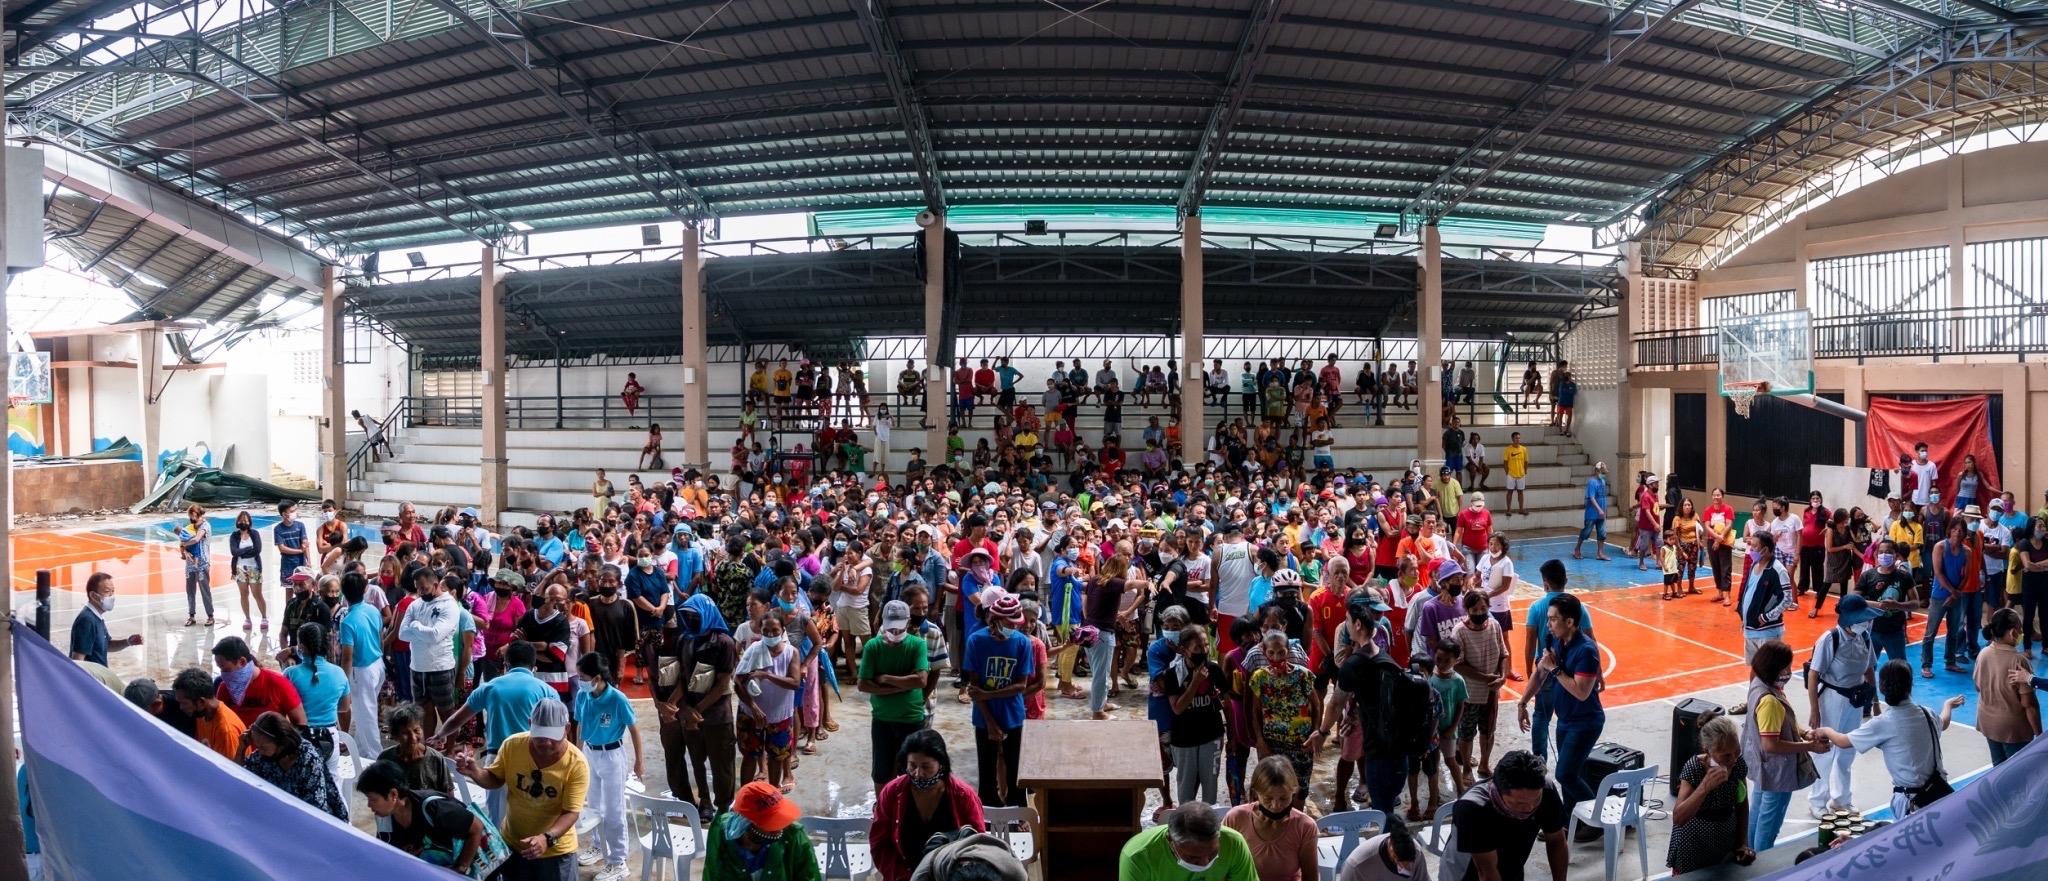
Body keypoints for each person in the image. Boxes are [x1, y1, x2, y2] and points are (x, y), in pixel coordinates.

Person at [1810, 660, 1965, 819]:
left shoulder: (1884, 723)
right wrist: (1947, 705)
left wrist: (1825, 730)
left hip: (1911, 803)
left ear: (1882, 687)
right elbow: (1943, 722)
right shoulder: (1927, 713)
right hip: (1938, 793)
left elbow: (1843, 741)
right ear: (1910, 685)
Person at [454, 700, 590, 881]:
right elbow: (495, 779)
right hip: (513, 845)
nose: (546, 742)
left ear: (566, 728)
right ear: (529, 724)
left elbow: (570, 812)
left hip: (555, 852)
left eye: (552, 736)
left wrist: (546, 838)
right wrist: (475, 772)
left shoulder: (577, 764)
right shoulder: (512, 745)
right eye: (540, 736)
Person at [1739, 640, 1831, 853]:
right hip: (1777, 771)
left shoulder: (1760, 684)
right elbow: (1771, 744)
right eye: (1786, 667)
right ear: (1774, 667)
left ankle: (1752, 855)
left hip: (1763, 768)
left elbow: (1781, 724)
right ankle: (1763, 864)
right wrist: (1809, 746)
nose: (1789, 672)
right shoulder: (1770, 701)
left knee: (1758, 814)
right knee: (1768, 825)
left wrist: (1803, 732)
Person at [870, 729, 985, 881]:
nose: (918, 773)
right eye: (912, 766)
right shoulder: (892, 793)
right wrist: (903, 877)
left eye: (926, 767)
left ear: (941, 765)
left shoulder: (964, 796)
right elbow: (880, 845)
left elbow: (976, 844)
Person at [357, 759, 502, 878]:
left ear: (393, 795)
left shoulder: (434, 808)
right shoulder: (384, 819)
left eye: (372, 799)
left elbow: (476, 827)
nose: (369, 805)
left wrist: (460, 869)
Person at [1803, 593, 1878, 818]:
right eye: (1860, 619)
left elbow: (1870, 669)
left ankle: (1841, 799)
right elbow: (1814, 675)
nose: (1864, 623)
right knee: (1825, 750)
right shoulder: (1829, 639)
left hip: (1855, 700)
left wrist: (1874, 703)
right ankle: (1817, 800)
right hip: (1831, 700)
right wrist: (1814, 709)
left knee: (1847, 749)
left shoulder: (1865, 637)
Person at [570, 653, 641, 881]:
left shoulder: (617, 699)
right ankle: (598, 846)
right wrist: (578, 755)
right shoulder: (583, 694)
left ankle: (618, 861)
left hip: (612, 757)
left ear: (597, 677)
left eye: (583, 676)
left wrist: (639, 762)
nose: (580, 680)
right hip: (590, 753)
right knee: (594, 806)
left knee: (614, 811)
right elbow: (580, 724)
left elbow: (634, 729)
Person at [1449, 750, 1568, 881]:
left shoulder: (1546, 789)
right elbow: (1486, 872)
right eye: (1520, 803)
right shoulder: (1473, 808)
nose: (1530, 808)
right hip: (1468, 873)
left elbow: (1556, 841)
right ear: (1499, 792)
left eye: (1536, 800)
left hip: (1512, 865)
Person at [964, 591, 1035, 807]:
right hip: (984, 716)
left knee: (1015, 769)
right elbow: (974, 688)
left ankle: (1016, 811)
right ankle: (988, 811)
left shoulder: (1022, 643)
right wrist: (990, 722)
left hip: (1013, 715)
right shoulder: (976, 641)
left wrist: (987, 694)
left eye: (1015, 624)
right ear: (994, 620)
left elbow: (1021, 686)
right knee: (986, 770)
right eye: (1009, 624)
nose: (1013, 628)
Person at [858, 600, 932, 790]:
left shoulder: (917, 645)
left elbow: (922, 680)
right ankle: (883, 810)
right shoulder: (872, 646)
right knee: (882, 770)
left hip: (911, 717)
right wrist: (903, 685)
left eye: (899, 628)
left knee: (910, 771)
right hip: (882, 717)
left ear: (908, 623)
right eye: (891, 628)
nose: (895, 633)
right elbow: (863, 684)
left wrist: (884, 678)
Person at [1665, 716, 1752, 876]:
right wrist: (1704, 787)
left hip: (1725, 848)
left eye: (1737, 751)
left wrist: (1743, 843)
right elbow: (1678, 818)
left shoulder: (1738, 764)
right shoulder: (1694, 769)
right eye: (1726, 755)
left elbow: (1742, 804)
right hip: (1692, 850)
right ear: (1708, 751)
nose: (1733, 759)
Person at [1247, 629, 1323, 810]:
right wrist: (1260, 740)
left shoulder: (1303, 675)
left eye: (1281, 651)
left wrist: (1315, 733)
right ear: (1264, 653)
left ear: (1288, 651)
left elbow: (1317, 705)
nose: (1276, 656)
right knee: (1272, 786)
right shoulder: (1259, 677)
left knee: (1300, 788)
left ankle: (1295, 824)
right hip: (1271, 743)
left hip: (1301, 743)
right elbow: (1255, 711)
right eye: (1271, 652)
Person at [1222, 755, 1319, 881]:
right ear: (1256, 793)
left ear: (1293, 792)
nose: (1276, 806)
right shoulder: (1235, 819)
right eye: (1268, 798)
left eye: (1284, 798)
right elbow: (1222, 869)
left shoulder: (1305, 827)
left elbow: (1311, 877)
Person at [702, 780, 821, 881]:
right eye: (772, 823)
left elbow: (810, 876)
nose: (780, 827)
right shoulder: (722, 832)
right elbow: (712, 873)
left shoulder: (793, 833)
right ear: (746, 824)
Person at [1162, 623, 1226, 807]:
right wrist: (1195, 682)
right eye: (1198, 647)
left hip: (1211, 735)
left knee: (1210, 784)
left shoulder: (1213, 670)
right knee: (1185, 787)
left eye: (1206, 645)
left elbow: (1227, 704)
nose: (1204, 650)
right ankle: (1186, 824)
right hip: (1184, 739)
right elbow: (1177, 708)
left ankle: (1209, 823)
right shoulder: (1173, 673)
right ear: (1184, 650)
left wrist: (1232, 736)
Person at [242, 711, 350, 821]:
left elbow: (316, 810)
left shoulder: (308, 759)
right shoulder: (263, 757)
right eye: (258, 747)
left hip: (307, 822)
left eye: (263, 748)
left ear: (281, 742)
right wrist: (240, 750)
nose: (259, 752)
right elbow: (240, 781)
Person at [1118, 801, 1258, 881]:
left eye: (1212, 854)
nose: (1205, 863)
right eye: (1193, 858)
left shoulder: (1234, 843)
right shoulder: (1138, 857)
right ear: (1170, 840)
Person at [1972, 607, 2041, 764]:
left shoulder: (1983, 654)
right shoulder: (2019, 661)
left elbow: (1978, 687)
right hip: (2012, 728)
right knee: (2019, 773)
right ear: (2012, 633)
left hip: (1988, 722)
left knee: (1999, 769)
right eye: (2020, 627)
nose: (2022, 631)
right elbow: (2028, 704)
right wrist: (2039, 734)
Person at [283, 621, 350, 760]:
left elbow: (283, 708)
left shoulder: (290, 674)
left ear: (301, 647)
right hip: (330, 737)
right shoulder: (339, 673)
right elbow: (344, 707)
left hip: (299, 737)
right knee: (331, 778)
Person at [336, 573, 387, 754]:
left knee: (366, 716)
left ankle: (374, 756)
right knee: (363, 712)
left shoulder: (348, 622)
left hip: (362, 671)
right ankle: (360, 749)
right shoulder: (373, 610)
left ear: (343, 593)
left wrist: (343, 682)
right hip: (378, 664)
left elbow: (347, 656)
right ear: (365, 589)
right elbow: (381, 638)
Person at [213, 636, 305, 726]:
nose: (223, 674)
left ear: (242, 661)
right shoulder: (224, 689)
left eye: (224, 669)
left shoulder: (279, 683)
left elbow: (300, 723)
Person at [377, 702, 458, 794]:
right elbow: (379, 793)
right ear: (395, 735)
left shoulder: (435, 759)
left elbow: (448, 793)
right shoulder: (386, 758)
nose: (413, 737)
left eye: (416, 730)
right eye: (405, 733)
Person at [173, 666, 247, 758]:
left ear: (201, 701)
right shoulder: (201, 714)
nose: (181, 707)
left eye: (184, 703)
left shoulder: (226, 731)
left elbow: (228, 770)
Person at [68, 572, 140, 666]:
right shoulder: (87, 621)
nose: (112, 596)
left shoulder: (97, 617)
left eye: (112, 591)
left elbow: (107, 645)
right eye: (107, 592)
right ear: (93, 596)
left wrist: (128, 642)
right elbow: (78, 660)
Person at [1335, 814, 1427, 881]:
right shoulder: (1357, 865)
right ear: (1390, 847)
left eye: (1408, 865)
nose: (1404, 868)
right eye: (1399, 863)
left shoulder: (1416, 852)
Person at [175, 503, 217, 626]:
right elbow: (183, 542)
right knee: (190, 590)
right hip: (190, 564)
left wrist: (184, 543)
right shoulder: (190, 527)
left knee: (204, 589)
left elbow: (196, 539)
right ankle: (191, 615)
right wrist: (185, 552)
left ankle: (210, 615)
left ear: (195, 514)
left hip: (202, 562)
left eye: (191, 515)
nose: (190, 518)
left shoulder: (205, 526)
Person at [1571, 462, 1610, 561]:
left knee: (1602, 533)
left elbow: (1603, 497)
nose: (1604, 474)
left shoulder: (1603, 482)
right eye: (1602, 472)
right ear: (1597, 471)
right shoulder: (1592, 482)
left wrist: (1605, 510)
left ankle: (1600, 553)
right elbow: (1591, 498)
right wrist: (1599, 509)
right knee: (1586, 532)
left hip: (1601, 513)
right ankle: (1577, 549)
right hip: (1592, 513)